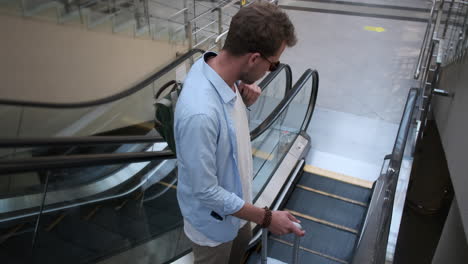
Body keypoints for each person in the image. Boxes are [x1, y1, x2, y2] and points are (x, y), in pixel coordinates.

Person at [174, 2, 304, 264]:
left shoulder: (220, 73)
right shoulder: (200, 113)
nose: (270, 71)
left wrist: (241, 100)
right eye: (273, 65)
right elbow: (205, 190)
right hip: (213, 231)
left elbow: (221, 132)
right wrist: (267, 217)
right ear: (254, 58)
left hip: (239, 210)